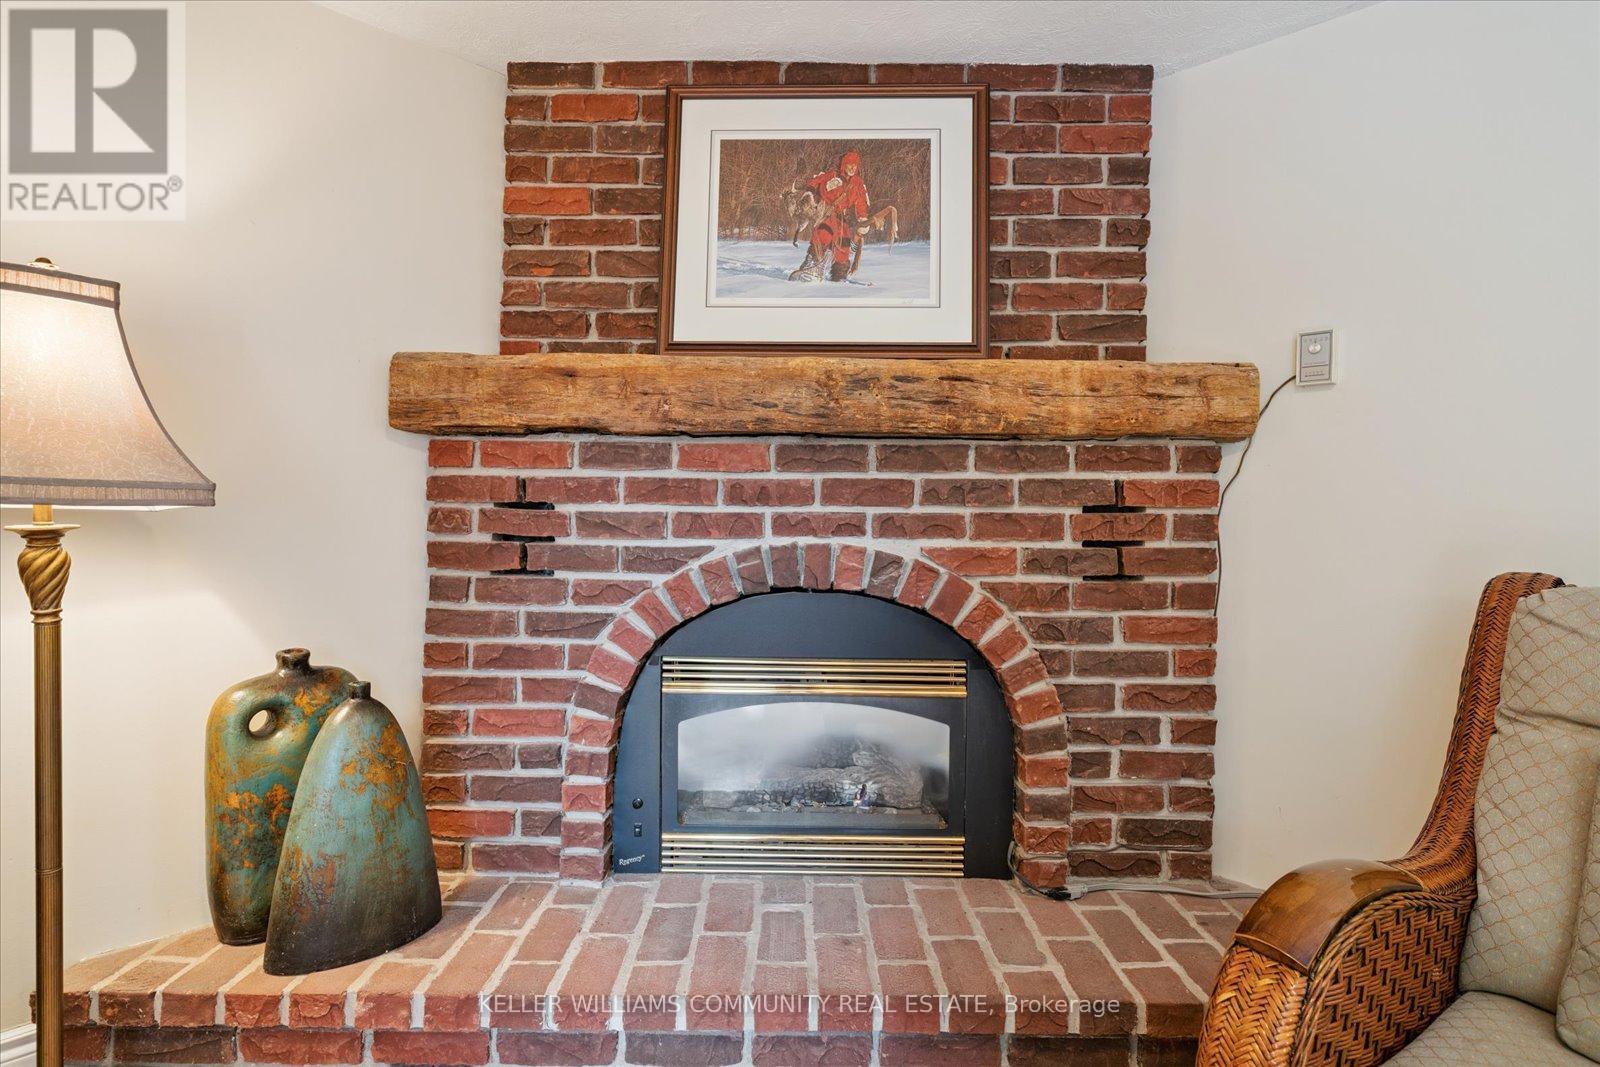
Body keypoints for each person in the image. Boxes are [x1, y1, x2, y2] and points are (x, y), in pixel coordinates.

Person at [789, 150, 872, 283]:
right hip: (827, 213)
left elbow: (861, 202)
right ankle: (811, 267)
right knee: (822, 235)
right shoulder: (831, 175)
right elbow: (815, 181)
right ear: (844, 165)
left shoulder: (858, 183)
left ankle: (839, 278)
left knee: (844, 246)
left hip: (842, 218)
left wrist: (863, 218)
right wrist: (809, 192)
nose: (852, 168)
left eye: (855, 165)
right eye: (849, 165)